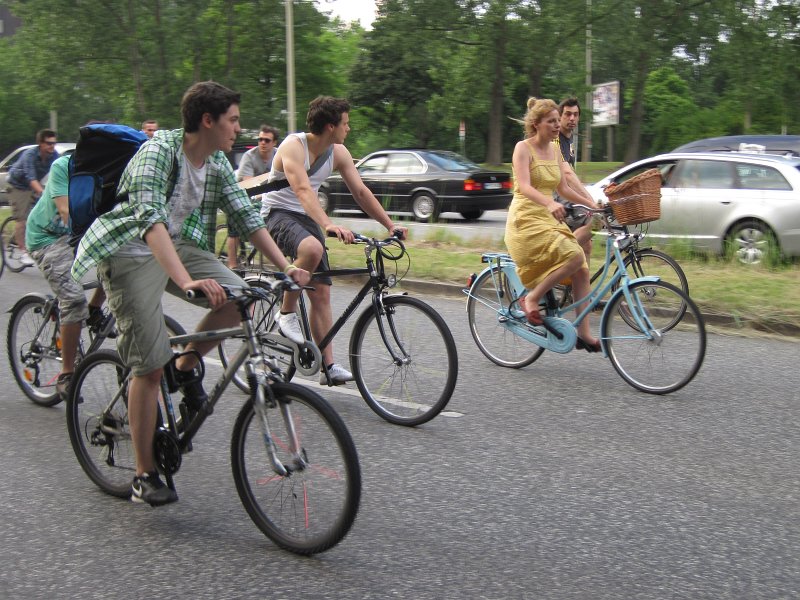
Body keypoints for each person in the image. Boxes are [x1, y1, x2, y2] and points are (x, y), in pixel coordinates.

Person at [72, 81, 310, 507]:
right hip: (130, 250)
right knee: (147, 366)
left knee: (243, 298)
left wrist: (287, 267)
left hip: (175, 244)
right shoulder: (158, 152)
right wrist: (185, 281)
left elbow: (243, 216)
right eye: (233, 120)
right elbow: (149, 221)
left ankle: (184, 367)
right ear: (208, 120)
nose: (239, 129)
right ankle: (144, 474)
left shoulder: (215, 163)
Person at [260, 96, 408, 386]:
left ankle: (328, 366)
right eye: (345, 123)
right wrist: (327, 224)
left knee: (321, 293)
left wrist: (390, 225)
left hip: (307, 217)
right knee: (312, 248)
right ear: (330, 126)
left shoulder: (337, 152)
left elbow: (361, 193)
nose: (348, 129)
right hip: (279, 213)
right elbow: (302, 190)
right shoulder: (293, 146)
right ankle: (286, 313)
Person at [504, 97, 600, 351]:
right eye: (552, 121)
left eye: (558, 121)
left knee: (582, 268)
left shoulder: (556, 150)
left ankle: (584, 333)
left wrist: (591, 204)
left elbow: (563, 187)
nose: (558, 125)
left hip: (547, 219)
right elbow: (524, 186)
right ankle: (532, 298)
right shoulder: (523, 148)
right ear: (536, 124)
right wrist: (548, 203)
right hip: (525, 220)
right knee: (575, 256)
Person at [25, 154, 108, 399]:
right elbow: (65, 211)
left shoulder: (111, 168)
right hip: (47, 238)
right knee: (73, 301)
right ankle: (66, 373)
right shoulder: (65, 166)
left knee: (120, 266)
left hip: (78, 235)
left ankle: (93, 310)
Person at [226, 125, 279, 268]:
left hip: (269, 195)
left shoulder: (279, 155)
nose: (262, 142)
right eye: (260, 139)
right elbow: (249, 184)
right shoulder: (249, 156)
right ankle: (232, 265)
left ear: (274, 143)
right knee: (234, 223)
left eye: (267, 140)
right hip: (245, 193)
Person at [6, 129, 61, 266]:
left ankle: (16, 238)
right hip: (18, 185)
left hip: (33, 185)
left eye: (54, 143)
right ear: (40, 143)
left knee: (39, 216)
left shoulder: (54, 155)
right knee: (22, 218)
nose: (52, 146)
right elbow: (31, 178)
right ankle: (23, 252)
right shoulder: (29, 155)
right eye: (48, 143)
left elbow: (58, 173)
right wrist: (44, 195)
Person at [555, 97, 596, 259]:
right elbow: (567, 174)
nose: (572, 118)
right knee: (595, 221)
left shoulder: (569, 138)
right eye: (567, 114)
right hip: (558, 195)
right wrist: (590, 200)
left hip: (566, 193)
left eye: (575, 114)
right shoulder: (557, 138)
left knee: (587, 246)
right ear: (560, 116)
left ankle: (578, 282)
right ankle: (560, 257)